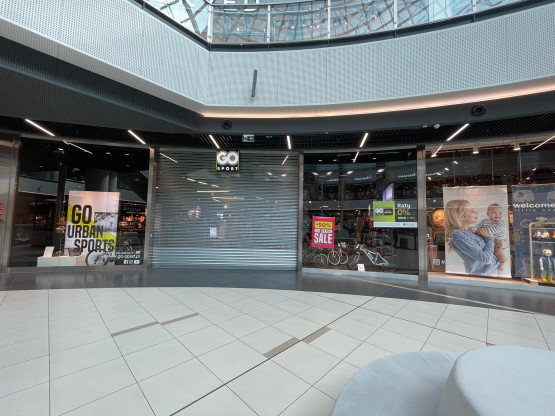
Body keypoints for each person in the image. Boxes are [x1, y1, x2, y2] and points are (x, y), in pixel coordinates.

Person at [444, 199, 500, 275]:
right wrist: (489, 238)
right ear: (461, 217)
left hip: (493, 271)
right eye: (472, 211)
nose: (476, 212)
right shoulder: (458, 235)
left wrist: (482, 234)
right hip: (485, 275)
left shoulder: (470, 231)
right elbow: (485, 258)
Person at [477, 203, 507, 271]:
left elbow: (493, 230)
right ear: (488, 214)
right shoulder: (484, 221)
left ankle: (502, 263)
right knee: (490, 250)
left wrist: (480, 231)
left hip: (500, 240)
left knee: (498, 251)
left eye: (500, 213)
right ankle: (493, 262)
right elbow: (478, 226)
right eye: (494, 212)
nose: (497, 214)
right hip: (490, 239)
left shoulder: (501, 223)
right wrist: (474, 229)